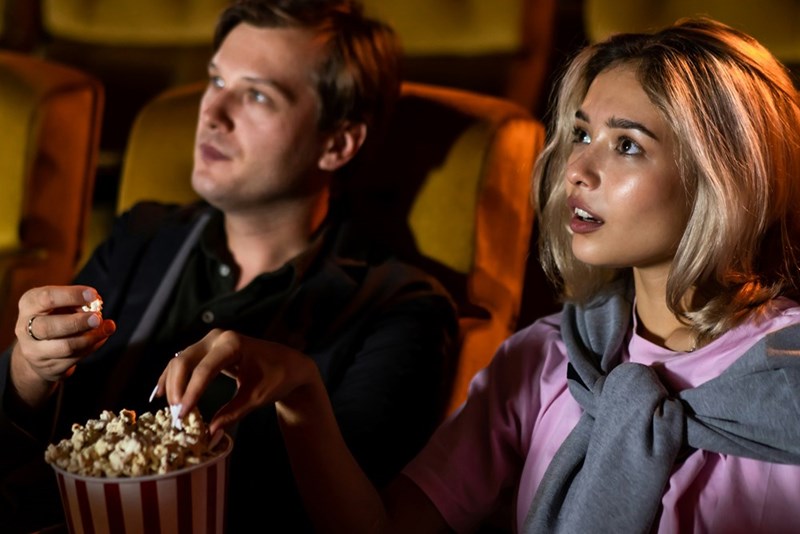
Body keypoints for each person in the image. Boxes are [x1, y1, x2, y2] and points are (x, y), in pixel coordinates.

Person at [158, 16, 800, 533]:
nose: (576, 169)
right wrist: (302, 393)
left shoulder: (790, 373)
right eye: (580, 134)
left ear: (723, 178)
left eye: (627, 144)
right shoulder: (544, 359)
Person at [0, 1, 457, 532]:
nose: (211, 112)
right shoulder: (142, 237)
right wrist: (28, 370)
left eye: (258, 95)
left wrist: (300, 389)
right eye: (216, 79)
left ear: (337, 143)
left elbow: (356, 522)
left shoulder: (401, 309)